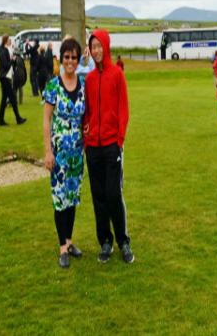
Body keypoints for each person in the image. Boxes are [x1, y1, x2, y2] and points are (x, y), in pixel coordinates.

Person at [83, 29, 133, 264]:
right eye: (93, 47)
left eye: (99, 45)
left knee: (114, 194)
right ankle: (105, 241)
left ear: (106, 46)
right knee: (99, 196)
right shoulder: (90, 79)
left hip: (112, 145)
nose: (96, 50)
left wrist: (119, 140)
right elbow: (87, 113)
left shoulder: (117, 75)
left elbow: (124, 110)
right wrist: (87, 137)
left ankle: (123, 241)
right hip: (93, 147)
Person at [43, 37, 86, 268]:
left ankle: (70, 241)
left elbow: (85, 118)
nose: (70, 61)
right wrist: (48, 151)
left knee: (71, 198)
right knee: (60, 200)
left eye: (74, 57)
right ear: (61, 58)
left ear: (78, 60)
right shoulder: (52, 86)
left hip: (77, 154)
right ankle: (62, 247)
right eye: (67, 57)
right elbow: (46, 120)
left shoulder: (83, 85)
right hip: (59, 154)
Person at [0, 34, 26, 126]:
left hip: (6, 77)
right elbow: (5, 65)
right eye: (9, 40)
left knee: (4, 99)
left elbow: (9, 66)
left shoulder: (6, 50)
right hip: (4, 77)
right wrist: (12, 60)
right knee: (12, 98)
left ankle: (1, 120)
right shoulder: (3, 51)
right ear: (6, 41)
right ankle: (18, 119)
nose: (10, 41)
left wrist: (13, 61)